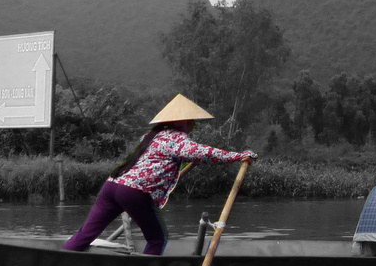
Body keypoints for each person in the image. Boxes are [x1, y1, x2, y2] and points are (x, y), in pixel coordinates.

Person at [62, 94, 256, 256]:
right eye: (192, 122)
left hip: (112, 185)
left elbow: (183, 155)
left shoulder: (150, 136)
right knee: (157, 238)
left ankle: (62, 259)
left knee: (86, 234)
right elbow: (203, 153)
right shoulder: (175, 138)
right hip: (135, 191)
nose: (193, 126)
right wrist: (238, 156)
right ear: (181, 121)